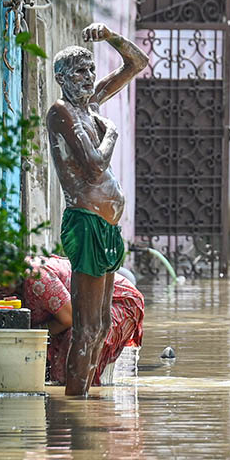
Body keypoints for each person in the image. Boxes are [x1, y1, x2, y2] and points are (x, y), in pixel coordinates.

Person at [47, 22, 147, 395]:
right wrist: (113, 134)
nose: (89, 77)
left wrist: (110, 38)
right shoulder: (62, 112)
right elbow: (93, 165)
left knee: (102, 326)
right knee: (86, 327)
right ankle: (74, 406)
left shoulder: (90, 107)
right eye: (79, 71)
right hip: (86, 222)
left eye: (91, 69)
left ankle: (83, 403)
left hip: (106, 226)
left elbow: (136, 63)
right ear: (61, 78)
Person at [0, 255, 143, 386]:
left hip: (117, 300)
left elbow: (69, 319)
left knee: (79, 341)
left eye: (0, 278)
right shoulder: (10, 286)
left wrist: (33, 334)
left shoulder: (36, 276)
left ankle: (82, 404)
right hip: (81, 308)